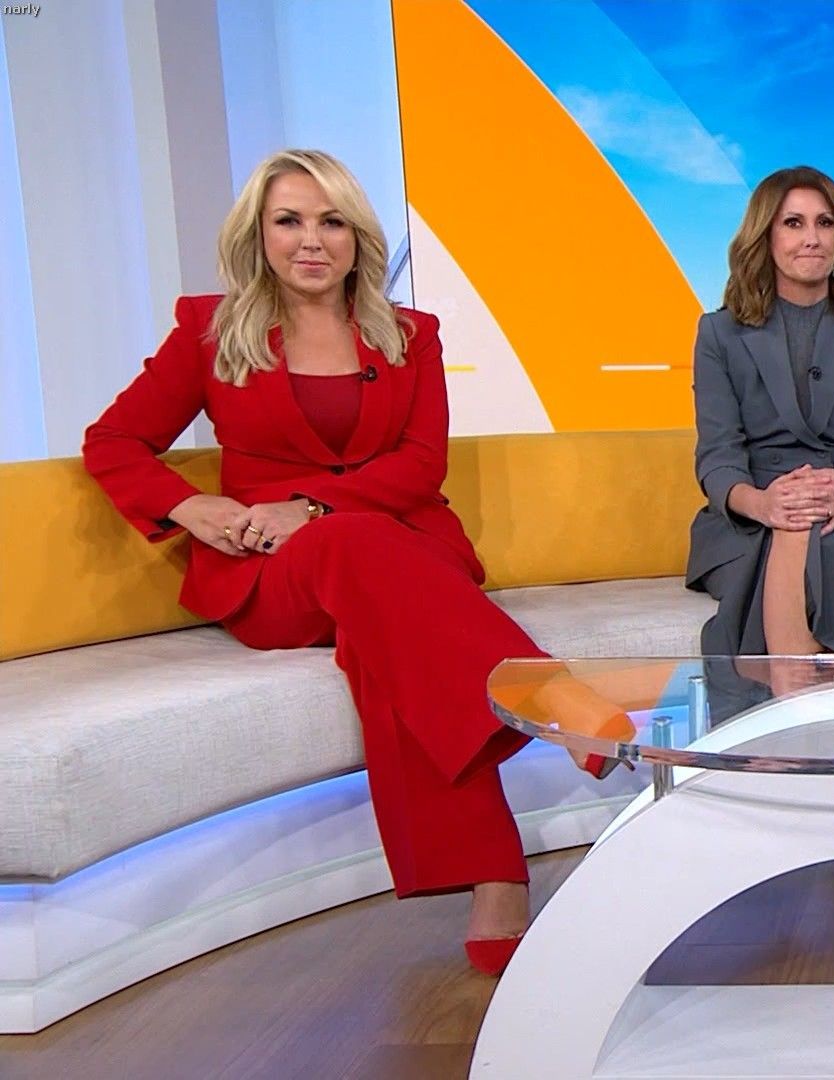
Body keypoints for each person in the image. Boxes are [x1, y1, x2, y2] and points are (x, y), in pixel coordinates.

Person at [82, 149, 631, 976]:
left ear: (357, 238)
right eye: (290, 221)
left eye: (331, 221)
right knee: (351, 544)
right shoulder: (210, 329)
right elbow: (114, 440)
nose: (312, 240)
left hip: (401, 562)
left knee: (384, 639)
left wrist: (311, 506)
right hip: (272, 576)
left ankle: (497, 882)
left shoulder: (410, 335)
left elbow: (420, 466)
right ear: (259, 235)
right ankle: (554, 699)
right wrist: (192, 507)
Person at [686, 165, 834, 891]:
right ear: (766, 237)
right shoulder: (720, 333)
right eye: (794, 223)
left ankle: (810, 771)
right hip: (749, 516)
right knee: (799, 532)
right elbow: (717, 453)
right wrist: (762, 503)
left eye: (824, 224)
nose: (811, 238)